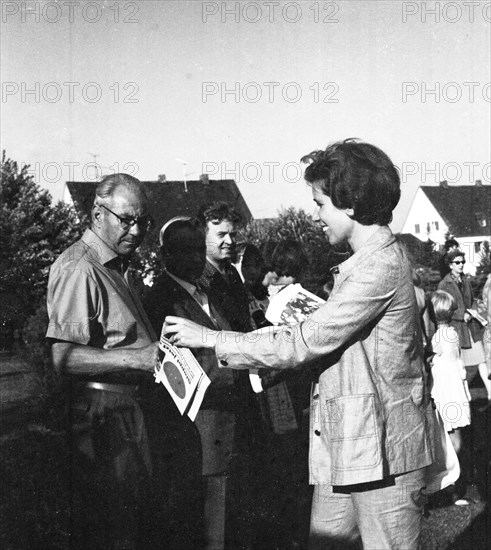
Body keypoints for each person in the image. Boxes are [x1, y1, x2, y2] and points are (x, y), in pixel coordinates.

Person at [164, 139, 436, 550]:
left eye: (321, 204)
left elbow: (304, 342)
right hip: (349, 446)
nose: (315, 216)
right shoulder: (361, 263)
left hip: (384, 452)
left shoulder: (378, 265)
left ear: (352, 204)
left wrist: (210, 338)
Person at [46, 174, 160, 549]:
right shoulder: (80, 268)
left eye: (143, 220)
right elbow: (63, 357)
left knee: (133, 523)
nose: (136, 229)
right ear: (97, 214)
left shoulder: (116, 265)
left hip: (127, 408)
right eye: (126, 219)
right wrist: (138, 358)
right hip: (103, 412)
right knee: (115, 529)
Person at [142, 216, 243, 550]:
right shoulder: (160, 300)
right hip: (198, 426)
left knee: (225, 517)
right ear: (164, 254)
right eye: (184, 250)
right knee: (204, 521)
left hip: (225, 420)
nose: (196, 258)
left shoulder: (212, 292)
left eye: (199, 249)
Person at [430, 290, 471, 505]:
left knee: (450, 441)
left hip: (446, 392)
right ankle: (452, 486)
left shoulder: (436, 338)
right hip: (451, 391)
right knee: (453, 440)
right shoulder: (449, 335)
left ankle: (453, 487)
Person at [438, 250, 490, 402]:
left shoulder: (466, 281)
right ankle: (466, 396)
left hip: (471, 328)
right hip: (457, 329)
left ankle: (490, 393)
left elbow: (472, 300)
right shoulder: (444, 284)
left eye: (462, 262)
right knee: (461, 364)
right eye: (457, 262)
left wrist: (473, 310)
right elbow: (443, 307)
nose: (461, 265)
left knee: (481, 359)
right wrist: (461, 315)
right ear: (450, 265)